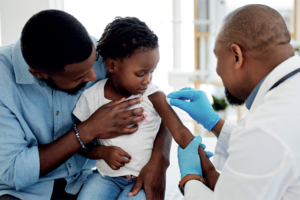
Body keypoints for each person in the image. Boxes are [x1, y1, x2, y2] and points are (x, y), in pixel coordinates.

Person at [0, 10, 172, 200]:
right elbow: (13, 171)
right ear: (39, 73)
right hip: (24, 192)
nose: (93, 76)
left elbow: (157, 103)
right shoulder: (3, 80)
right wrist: (88, 130)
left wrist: (160, 159)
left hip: (82, 181)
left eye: (93, 65)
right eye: (80, 78)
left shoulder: (100, 54)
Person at [167, 4, 300, 199]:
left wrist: (190, 179)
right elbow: (268, 155)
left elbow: (264, 139)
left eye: (217, 57)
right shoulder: (287, 98)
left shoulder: (266, 126)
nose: (218, 71)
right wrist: (216, 124)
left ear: (236, 56)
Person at [72, 16, 213, 200]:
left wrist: (209, 171)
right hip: (106, 178)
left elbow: (179, 131)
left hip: (143, 178)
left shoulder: (153, 96)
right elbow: (81, 144)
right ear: (111, 65)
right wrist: (102, 152)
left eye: (152, 72)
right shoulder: (91, 97)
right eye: (140, 73)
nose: (148, 80)